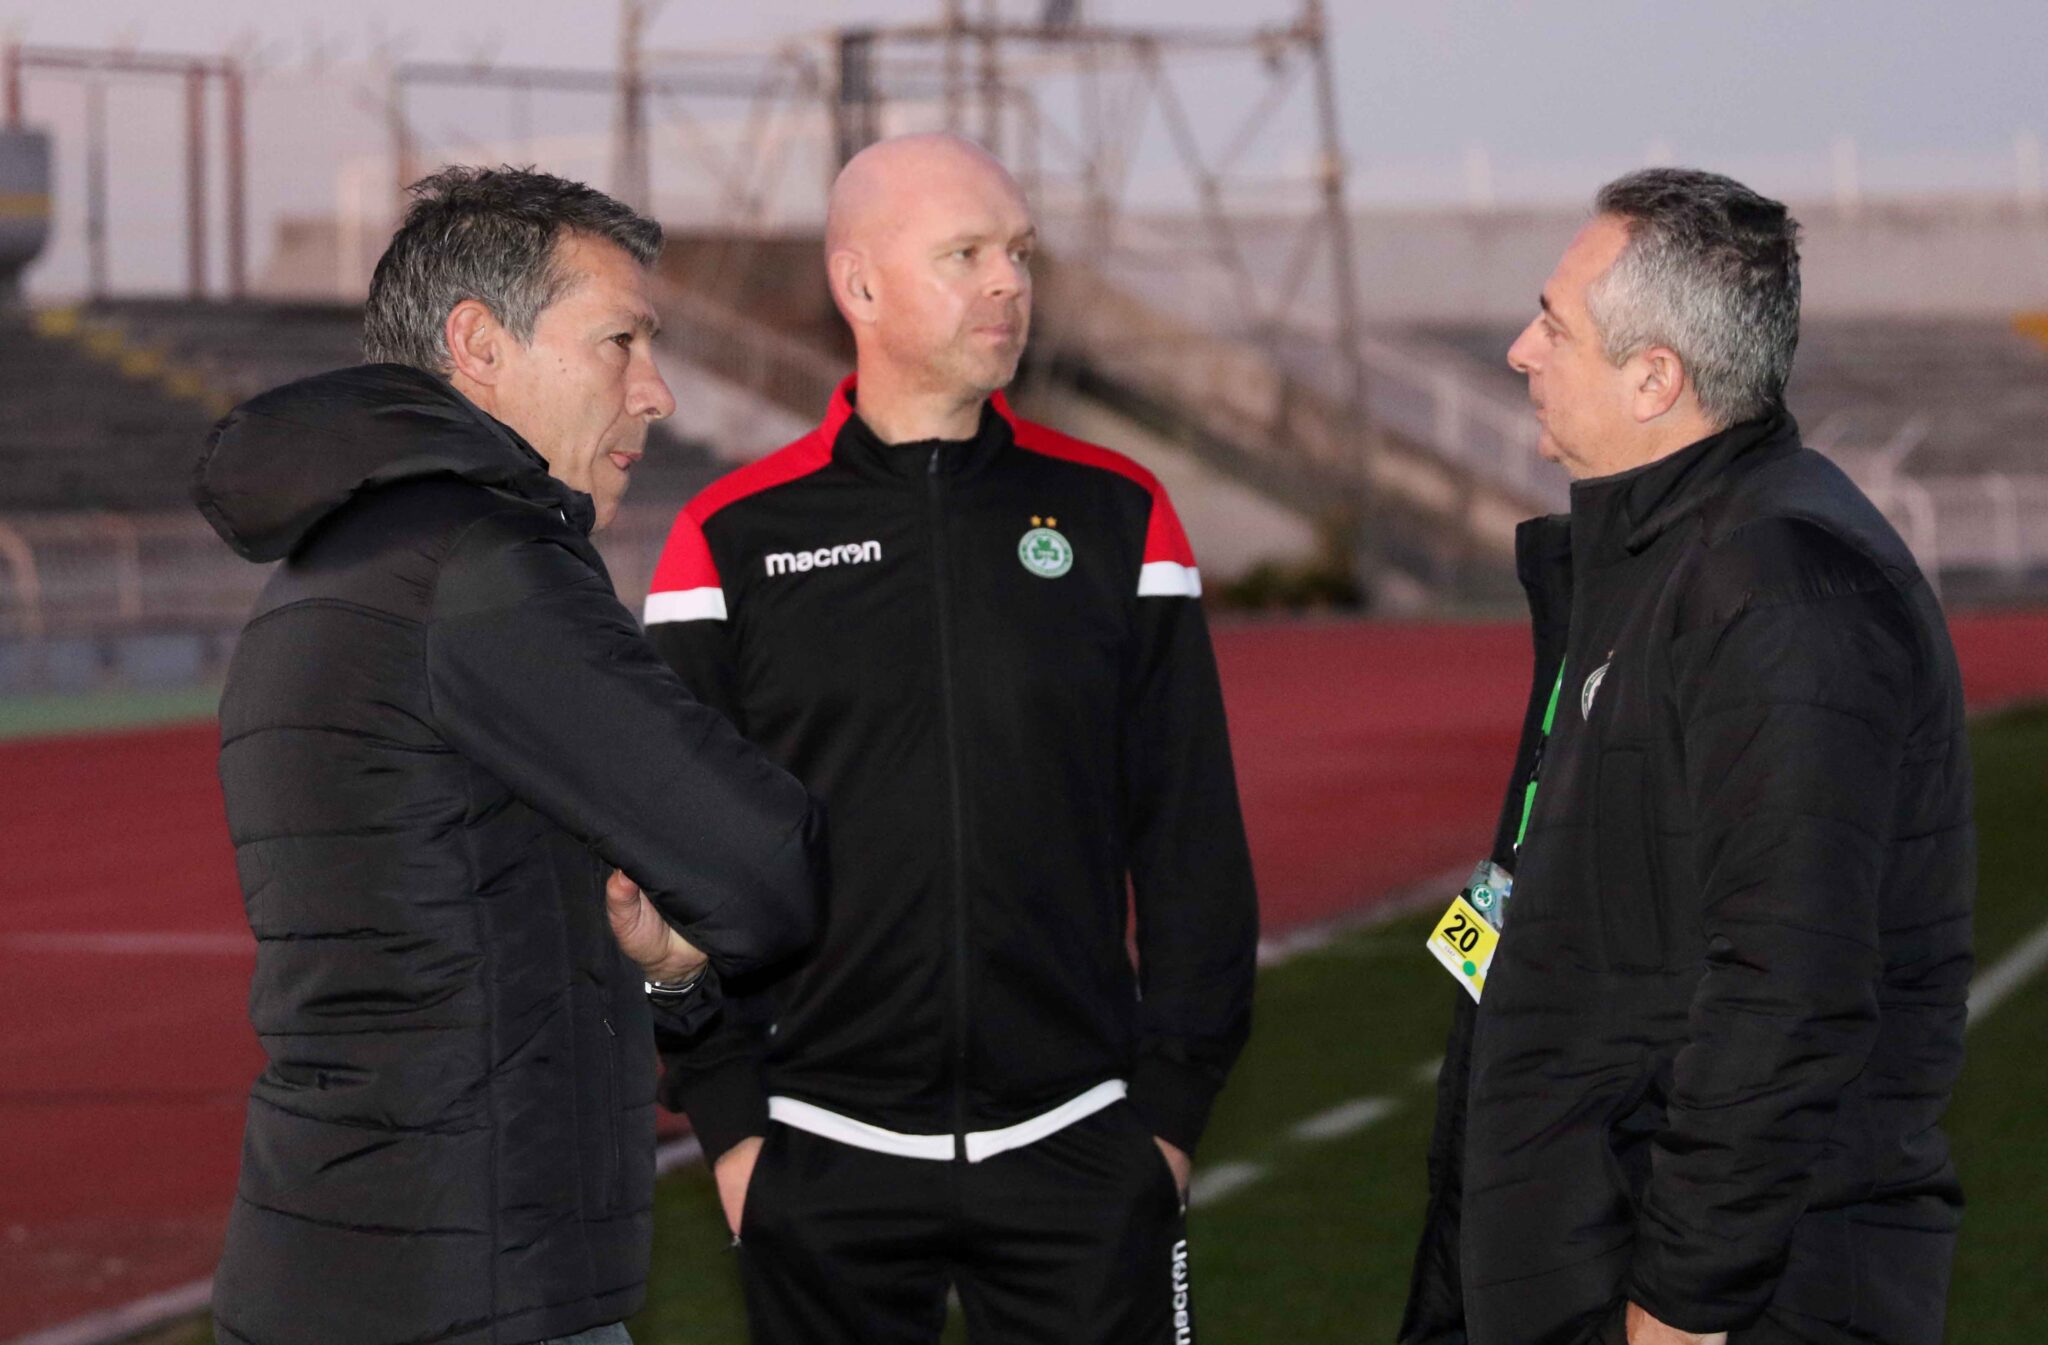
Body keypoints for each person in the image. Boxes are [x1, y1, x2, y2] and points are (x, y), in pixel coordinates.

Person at [641, 133, 1259, 1344]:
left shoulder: (1119, 514)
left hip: (1081, 1144)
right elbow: (675, 861)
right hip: (819, 1154)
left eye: (1018, 252)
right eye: (964, 253)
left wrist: (1167, 1118)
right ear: (859, 285)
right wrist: (734, 1129)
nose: (1007, 282)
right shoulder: (728, 541)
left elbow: (1189, 833)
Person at [194, 166, 822, 1345]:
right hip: (461, 1290)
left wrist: (665, 971)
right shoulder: (479, 567)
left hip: (349, 1261)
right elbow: (761, 866)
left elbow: (480, 935)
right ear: (479, 344)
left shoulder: (339, 564)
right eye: (620, 341)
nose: (656, 391)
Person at [1400, 168, 1974, 1345]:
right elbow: (1536, 920)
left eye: (1553, 325)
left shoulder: (1778, 585)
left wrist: (1680, 1300)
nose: (1518, 351)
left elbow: (1787, 987)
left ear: (1653, 378)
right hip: (1577, 1259)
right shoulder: (1652, 560)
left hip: (1717, 1299)